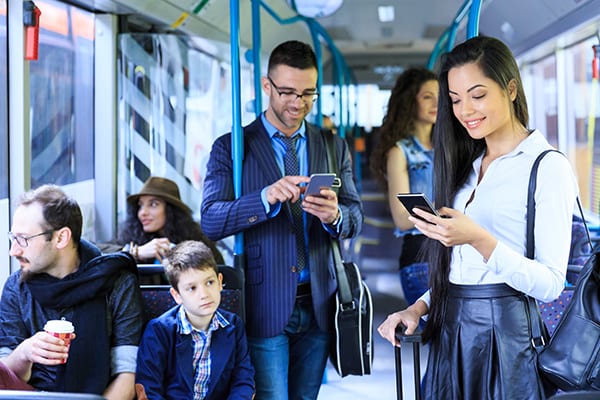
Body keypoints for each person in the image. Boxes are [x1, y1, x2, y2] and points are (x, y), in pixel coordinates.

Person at [378, 36, 578, 399]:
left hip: (506, 336)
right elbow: (460, 271)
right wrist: (417, 308)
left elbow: (550, 284)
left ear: (511, 88)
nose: (465, 110)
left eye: (478, 95)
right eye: (454, 100)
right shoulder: (466, 169)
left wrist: (477, 238)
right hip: (451, 328)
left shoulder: (547, 167)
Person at [201, 40, 363, 400]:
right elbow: (211, 220)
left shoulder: (332, 146)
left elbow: (356, 217)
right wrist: (264, 198)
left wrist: (335, 215)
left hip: (320, 300)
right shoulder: (233, 147)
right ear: (266, 86)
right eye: (287, 92)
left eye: (308, 94)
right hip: (264, 301)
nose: (298, 103)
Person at [0, 185, 144, 399]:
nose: (14, 251)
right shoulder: (16, 287)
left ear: (61, 238)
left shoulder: (116, 282)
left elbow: (126, 375)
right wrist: (25, 352)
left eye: (24, 239)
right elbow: (5, 378)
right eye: (13, 238)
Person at [135, 240, 255, 399]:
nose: (204, 294)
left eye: (209, 282)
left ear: (220, 282)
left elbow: (243, 381)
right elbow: (149, 388)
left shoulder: (233, 326)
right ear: (177, 295)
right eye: (192, 288)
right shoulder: (158, 331)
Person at [370, 67, 438, 305]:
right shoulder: (400, 152)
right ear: (410, 102)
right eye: (427, 96)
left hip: (455, 256)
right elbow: (401, 217)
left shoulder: (449, 148)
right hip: (421, 255)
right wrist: (446, 215)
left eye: (440, 97)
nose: (436, 103)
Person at [119, 176, 223, 265]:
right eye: (140, 205)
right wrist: (135, 253)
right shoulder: (130, 238)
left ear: (171, 210)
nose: (142, 212)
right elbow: (105, 255)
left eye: (153, 204)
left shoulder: (199, 242)